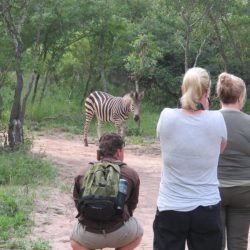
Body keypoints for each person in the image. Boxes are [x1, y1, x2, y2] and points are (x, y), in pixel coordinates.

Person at [153, 67, 228, 250]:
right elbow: (220, 149)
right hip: (207, 207)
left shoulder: (166, 116)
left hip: (170, 206)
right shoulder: (217, 119)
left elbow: (163, 142)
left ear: (183, 88)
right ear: (206, 91)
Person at [70, 133, 143, 250]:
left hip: (88, 234)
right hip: (119, 232)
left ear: (100, 152)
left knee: (74, 241)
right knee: (139, 232)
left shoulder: (83, 172)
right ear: (119, 152)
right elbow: (131, 206)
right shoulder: (131, 173)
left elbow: (78, 203)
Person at [216, 72, 250, 250]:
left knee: (216, 241)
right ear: (241, 96)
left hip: (215, 188)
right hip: (244, 190)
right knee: (239, 242)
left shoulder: (210, 120)